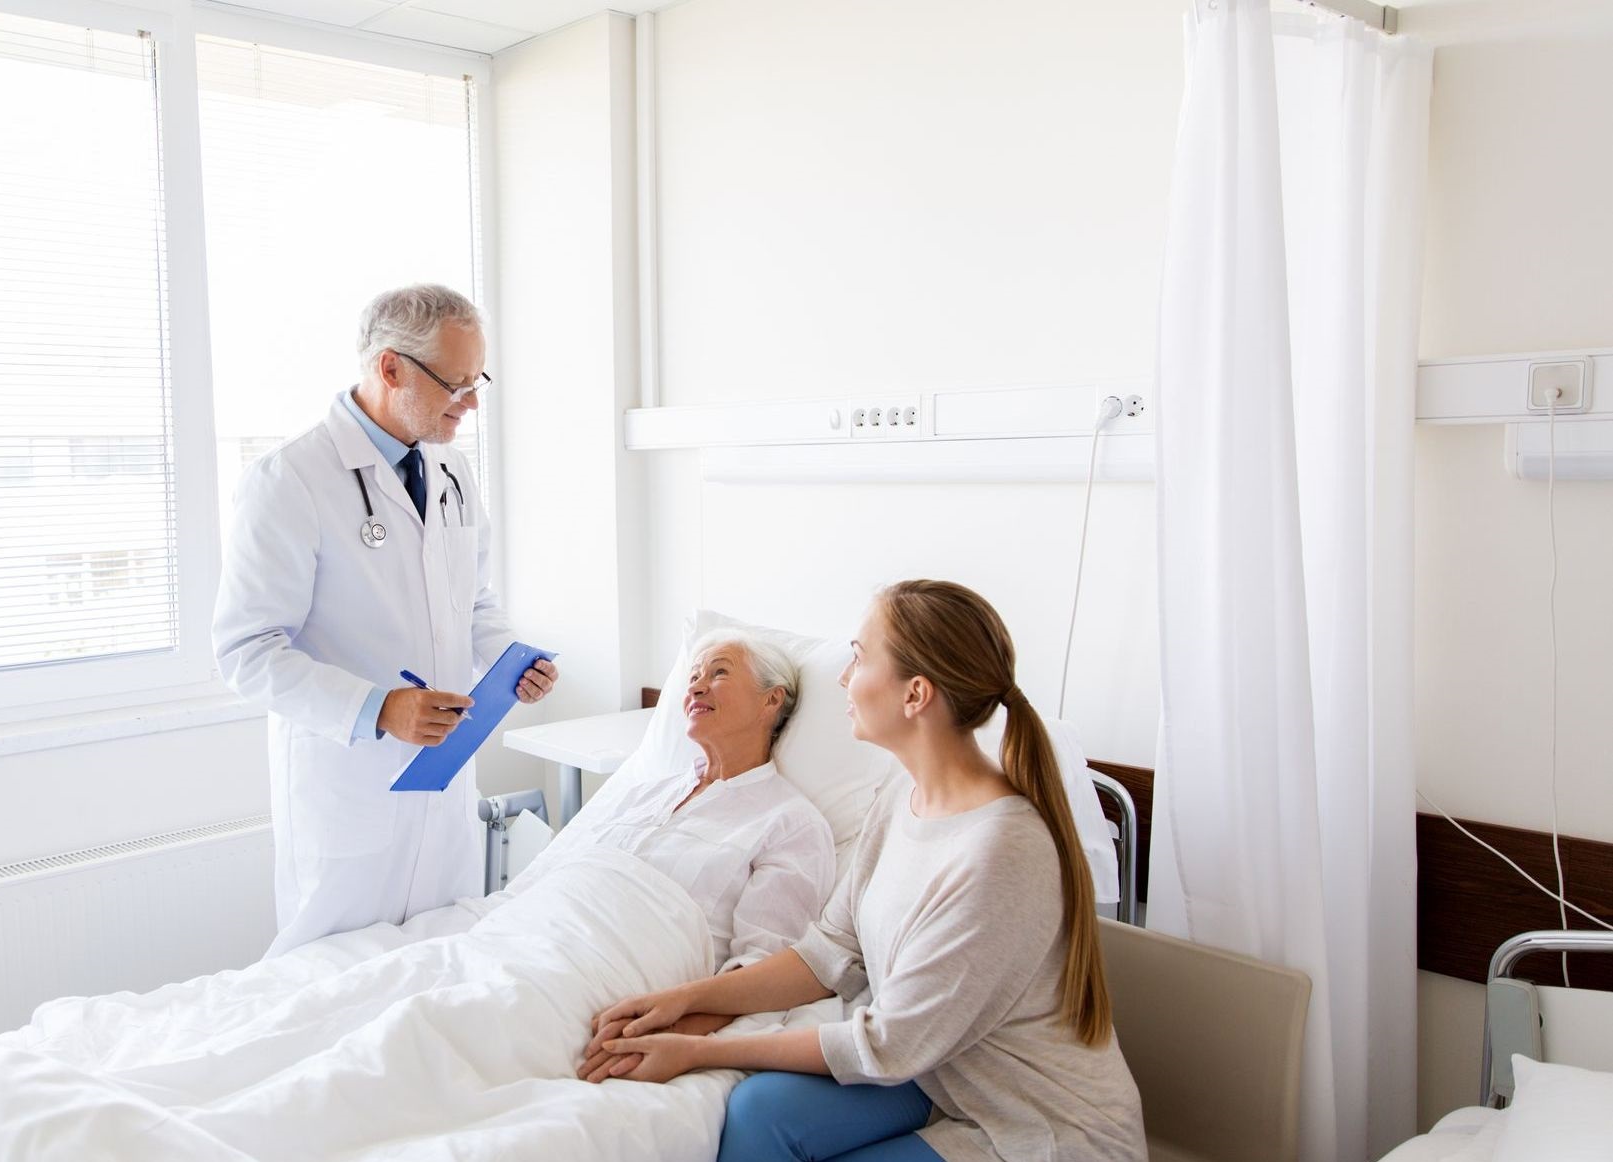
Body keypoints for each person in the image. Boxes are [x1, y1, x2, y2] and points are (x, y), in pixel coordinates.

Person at [579, 581, 1146, 1162]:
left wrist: (698, 1052)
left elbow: (886, 1045)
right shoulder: (904, 796)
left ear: (916, 694)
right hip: (943, 1077)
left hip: (1035, 1128)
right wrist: (681, 1001)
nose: (845, 678)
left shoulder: (1002, 851)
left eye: (859, 656)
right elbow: (830, 952)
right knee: (757, 1114)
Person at [213, 285, 557, 957]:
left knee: (438, 961)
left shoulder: (452, 473)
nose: (472, 401)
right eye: (454, 383)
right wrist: (378, 709)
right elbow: (246, 650)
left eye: (476, 379)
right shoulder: (290, 480)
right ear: (390, 368)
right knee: (327, 976)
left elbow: (472, 602)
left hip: (443, 781)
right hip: (351, 788)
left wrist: (514, 657)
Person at [510, 631, 835, 973]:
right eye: (693, 676)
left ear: (771, 700)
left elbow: (759, 968)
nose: (695, 686)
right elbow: (552, 875)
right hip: (533, 936)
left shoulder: (790, 824)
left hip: (606, 970)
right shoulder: (643, 793)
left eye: (719, 673)